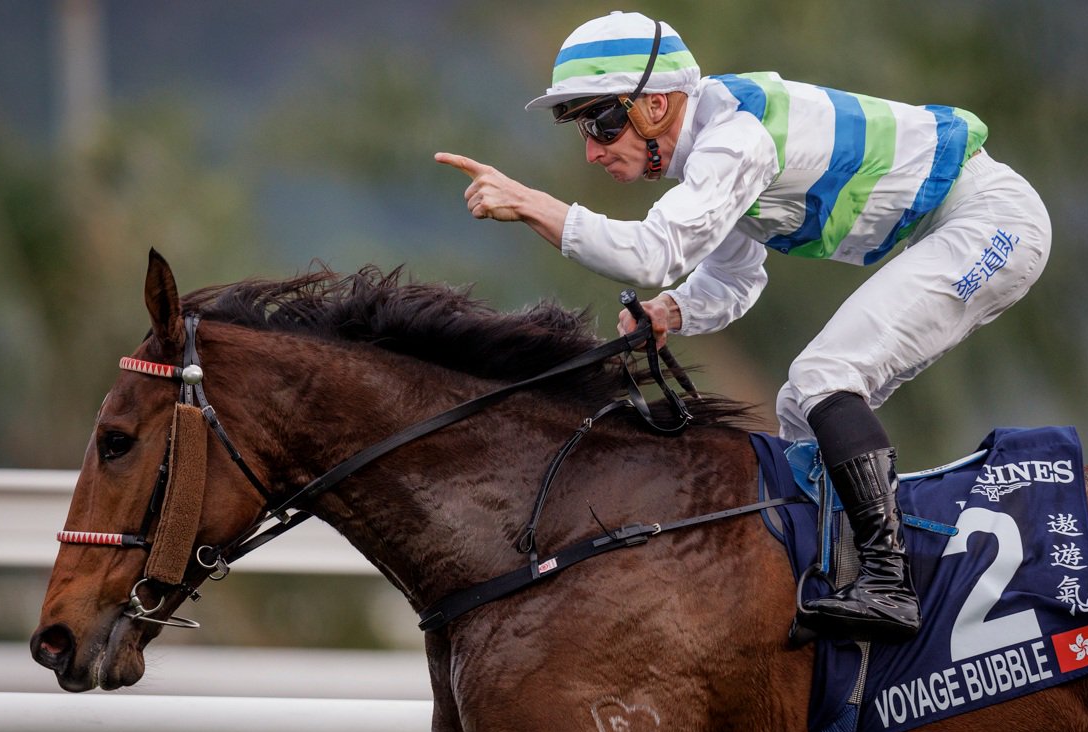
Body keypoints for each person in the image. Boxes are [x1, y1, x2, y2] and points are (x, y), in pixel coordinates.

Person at [435, 11, 1051, 643]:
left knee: (824, 378)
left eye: (601, 122)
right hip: (956, 225)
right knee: (800, 408)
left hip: (990, 224)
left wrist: (532, 203)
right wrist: (671, 311)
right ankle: (836, 579)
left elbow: (652, 254)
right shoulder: (716, 143)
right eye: (582, 129)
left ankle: (889, 585)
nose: (592, 150)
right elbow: (735, 278)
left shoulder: (736, 139)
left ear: (655, 104)